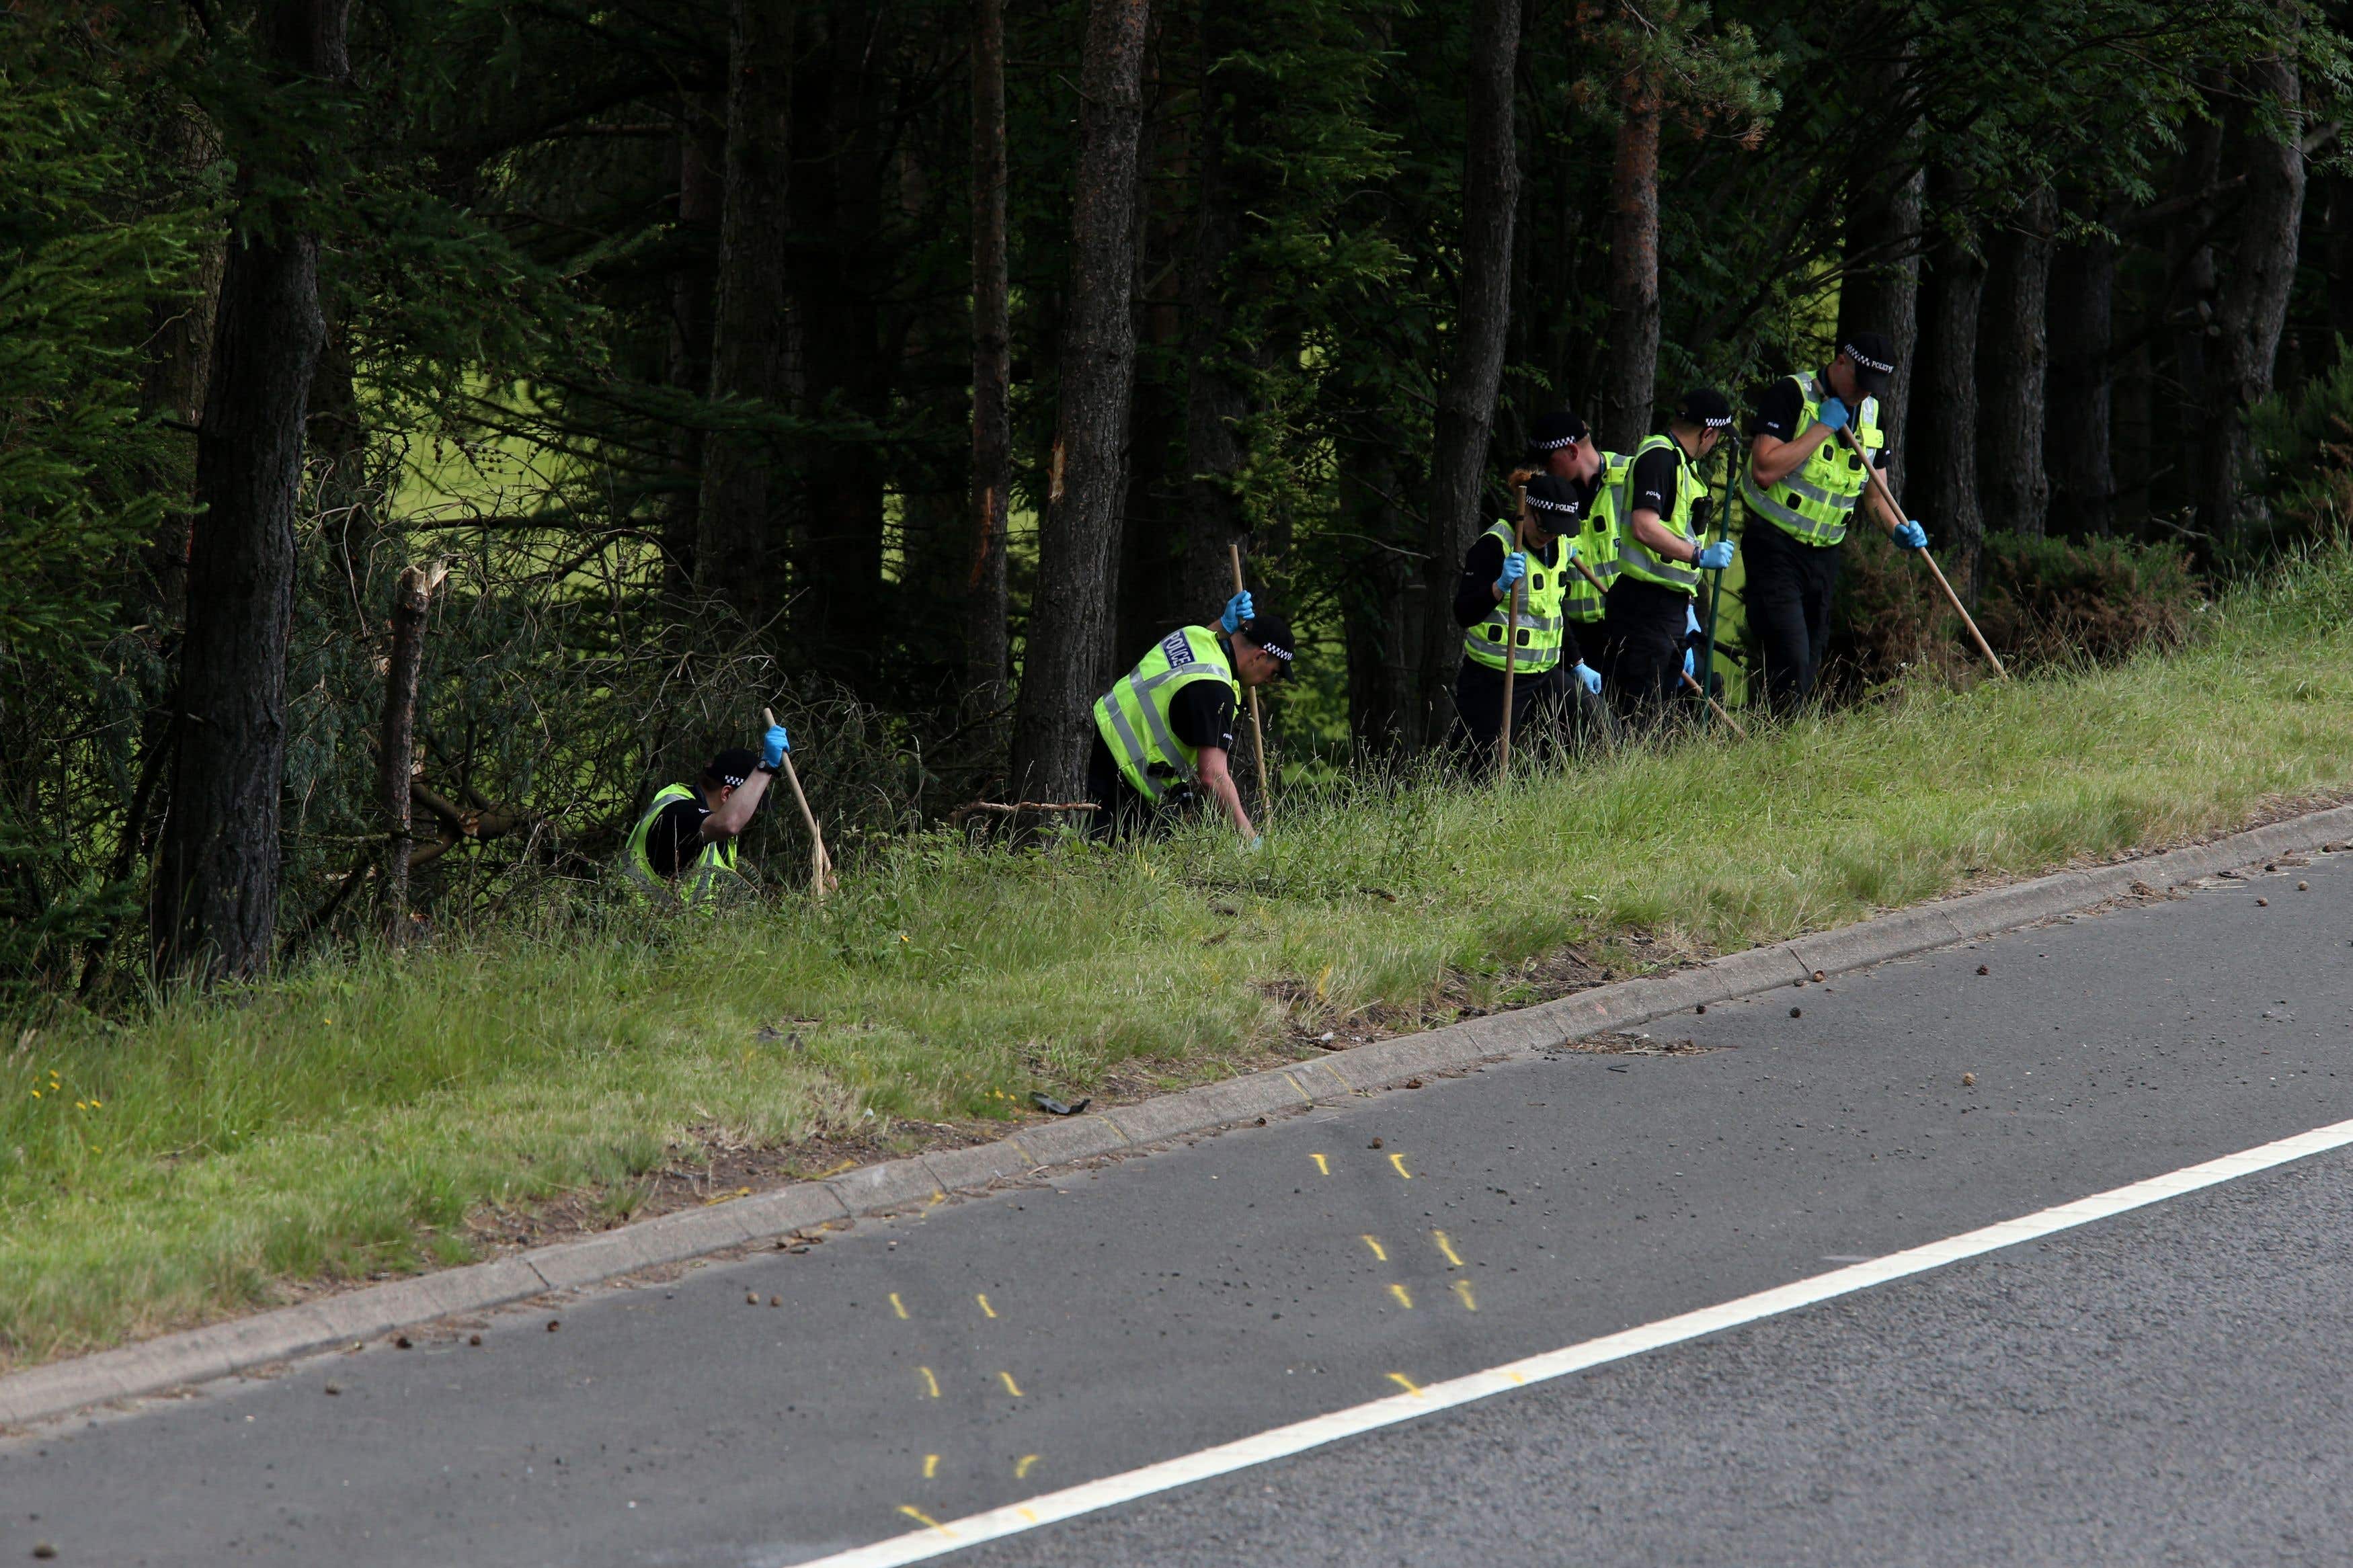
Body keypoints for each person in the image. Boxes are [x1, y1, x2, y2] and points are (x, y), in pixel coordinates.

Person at [1737, 331, 1928, 714]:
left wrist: (1898, 530)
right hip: (1774, 546)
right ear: (1842, 361)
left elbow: (1877, 497)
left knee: (1809, 659)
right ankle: (1779, 749)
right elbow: (1764, 469)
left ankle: (1776, 743)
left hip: (1824, 556)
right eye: (1859, 382)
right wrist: (1822, 429)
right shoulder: (1792, 395)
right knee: (1788, 654)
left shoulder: (1871, 413)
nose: (1863, 394)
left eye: (1872, 388)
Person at [1087, 593, 1293, 845]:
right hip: (1119, 780)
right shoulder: (1215, 690)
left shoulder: (1194, 637)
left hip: (1096, 735)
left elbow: (1204, 645)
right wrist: (1249, 838)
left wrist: (1221, 625)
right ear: (1260, 656)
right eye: (1273, 674)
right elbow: (1213, 777)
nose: (1268, 682)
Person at [1448, 452, 1606, 768]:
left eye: (1560, 529)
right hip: (1495, 677)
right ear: (1528, 511)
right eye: (1547, 526)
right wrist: (1500, 585)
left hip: (1544, 673)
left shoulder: (1559, 548)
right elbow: (1464, 613)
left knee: (1602, 728)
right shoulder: (1495, 546)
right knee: (1478, 768)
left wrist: (1577, 662)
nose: (1551, 535)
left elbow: (1554, 612)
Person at [1602, 388, 1738, 724]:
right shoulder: (1660, 458)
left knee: (1658, 712)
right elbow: (1644, 527)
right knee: (1639, 715)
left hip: (1671, 609)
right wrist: (1700, 555)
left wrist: (1688, 606)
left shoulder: (1682, 466)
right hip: (1645, 609)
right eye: (1717, 436)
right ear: (1708, 432)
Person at [618, 720, 790, 907]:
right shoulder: (679, 814)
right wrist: (766, 767)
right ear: (727, 794)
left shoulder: (718, 839)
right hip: (640, 932)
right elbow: (730, 823)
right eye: (752, 805)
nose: (751, 815)